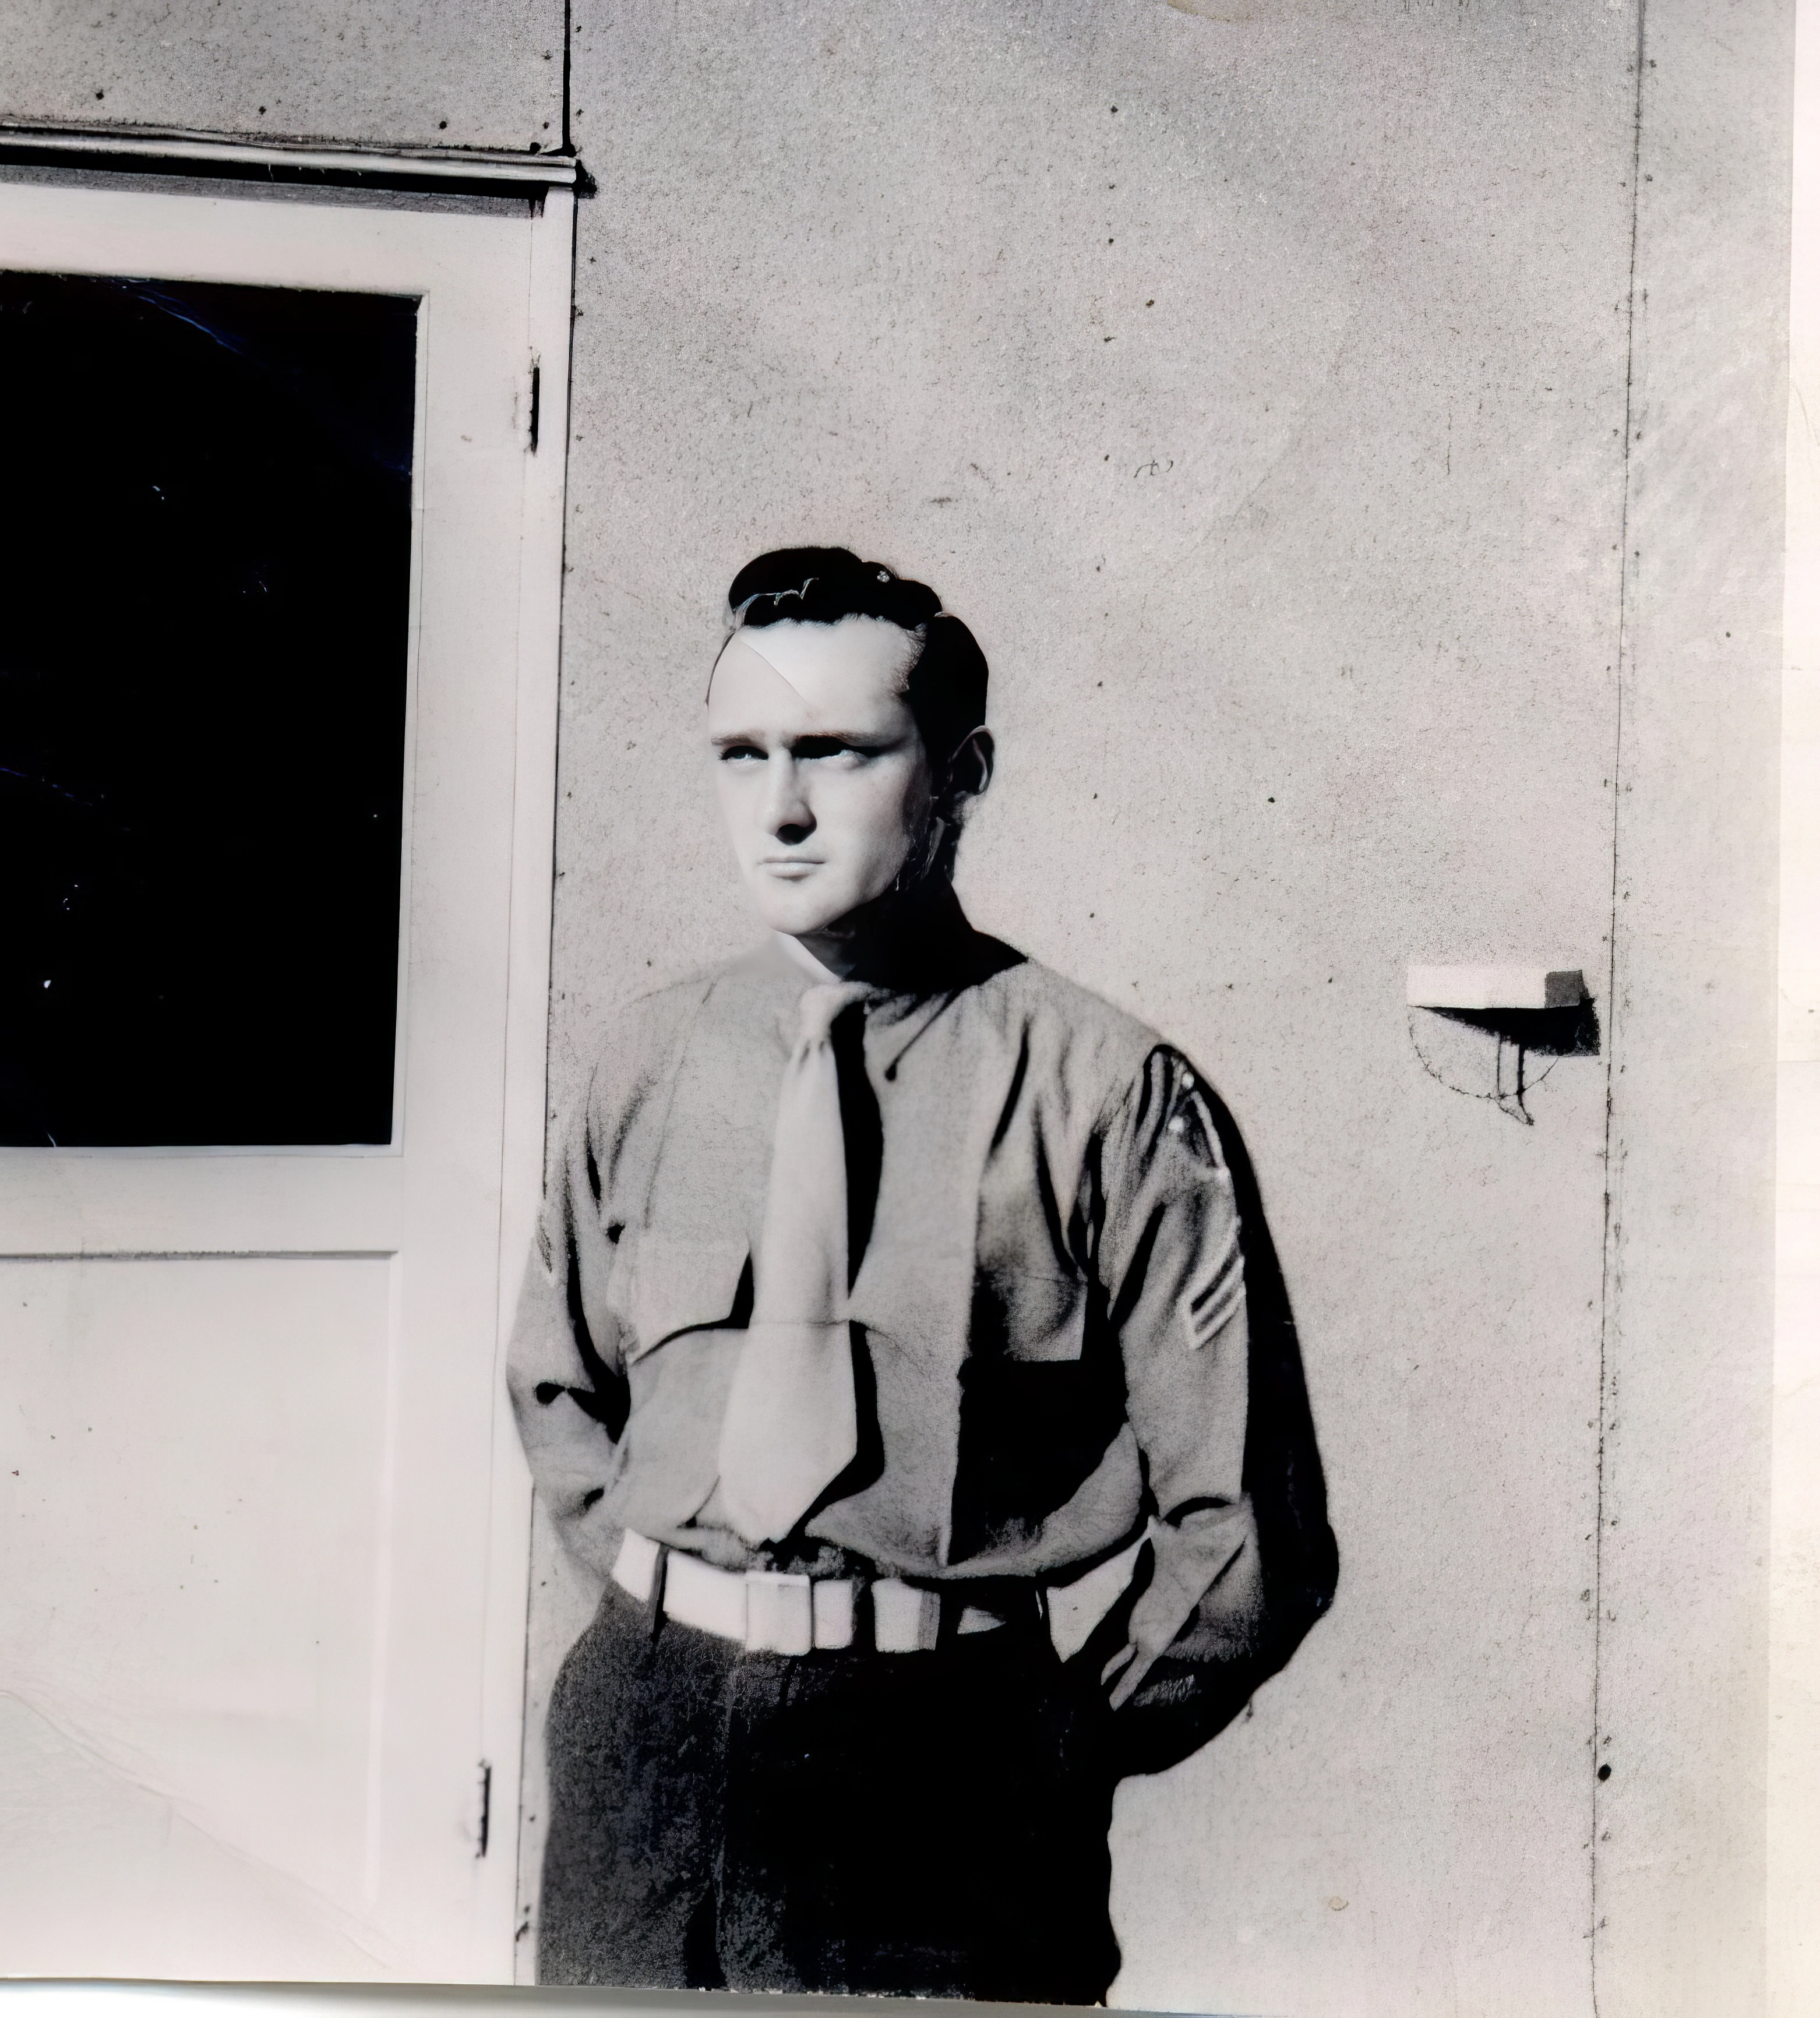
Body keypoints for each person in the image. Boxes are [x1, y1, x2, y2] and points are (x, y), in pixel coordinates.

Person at [509, 547, 1337, 2002]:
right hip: (645, 1740)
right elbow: (559, 1386)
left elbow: (1244, 1531)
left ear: (960, 771)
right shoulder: (648, 1057)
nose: (778, 807)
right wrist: (672, 1607)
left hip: (939, 1763)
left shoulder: (1107, 1091)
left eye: (836, 751)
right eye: (741, 754)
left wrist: (1056, 1746)